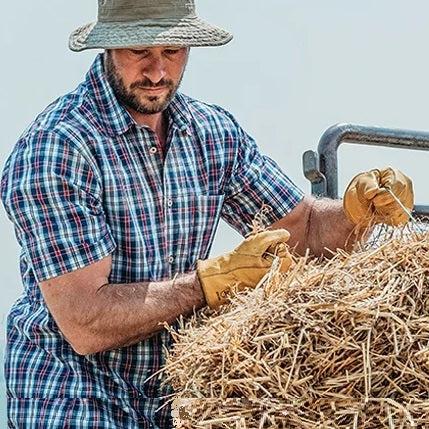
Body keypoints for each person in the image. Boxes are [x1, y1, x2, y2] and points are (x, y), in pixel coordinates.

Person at [0, 0, 414, 428]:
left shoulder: (212, 134)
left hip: (169, 396)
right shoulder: (57, 147)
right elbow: (86, 321)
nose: (159, 72)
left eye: (174, 52)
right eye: (140, 51)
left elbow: (303, 227)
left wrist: (355, 211)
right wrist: (215, 280)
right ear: (107, 49)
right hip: (69, 392)